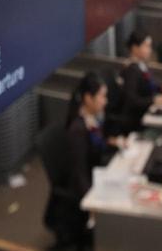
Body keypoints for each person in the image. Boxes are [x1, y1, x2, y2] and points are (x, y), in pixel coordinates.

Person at [44, 72, 118, 249]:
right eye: (102, 96)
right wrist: (92, 203)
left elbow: (95, 149)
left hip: (95, 175)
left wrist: (112, 142)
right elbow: (79, 173)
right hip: (82, 189)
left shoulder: (91, 120)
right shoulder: (78, 130)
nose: (105, 101)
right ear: (88, 98)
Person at [118, 30, 162, 133]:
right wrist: (154, 100)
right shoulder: (131, 70)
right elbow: (132, 101)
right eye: (146, 46)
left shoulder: (141, 65)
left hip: (147, 110)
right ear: (135, 48)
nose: (150, 50)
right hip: (138, 119)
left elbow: (149, 83)